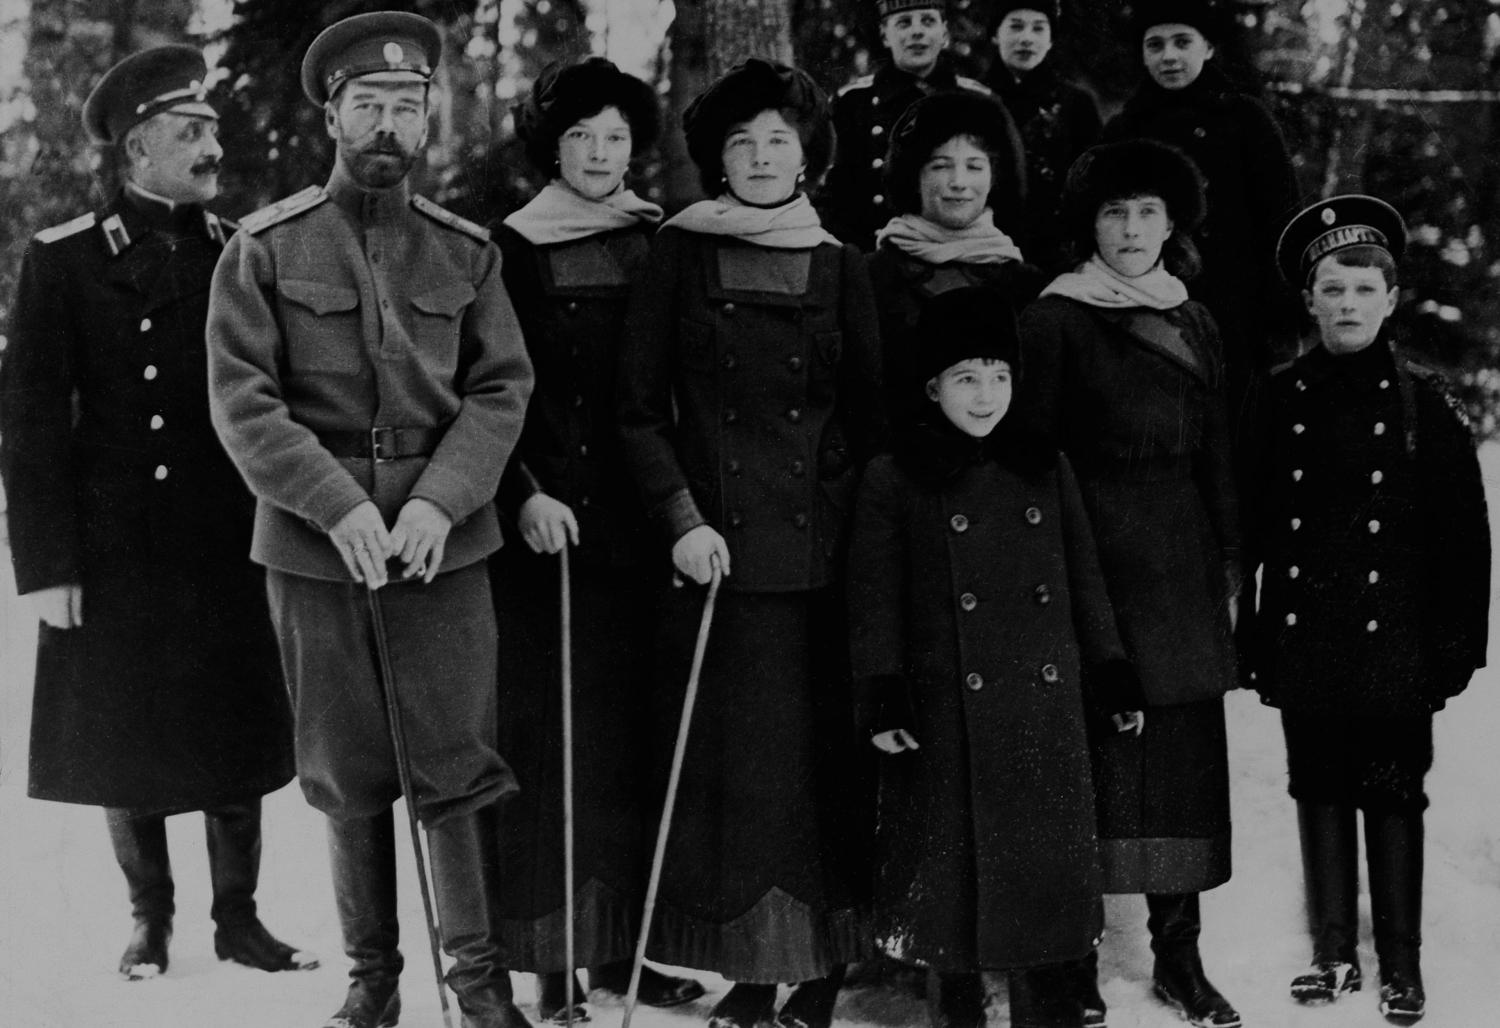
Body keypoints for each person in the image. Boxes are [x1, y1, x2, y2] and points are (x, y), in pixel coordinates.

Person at [205, 13, 535, 1028]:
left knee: (456, 763)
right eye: (367, 105)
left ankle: (478, 991)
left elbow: (500, 387)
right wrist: (337, 503)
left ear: (429, 114)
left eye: (405, 104)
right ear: (332, 117)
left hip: (447, 545)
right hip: (316, 548)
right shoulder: (264, 248)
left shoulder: (466, 253)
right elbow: (244, 399)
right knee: (346, 768)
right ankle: (372, 983)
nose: (387, 122)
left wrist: (441, 498)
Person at [0, 45, 313, 984]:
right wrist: (48, 566)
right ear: (138, 151)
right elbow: (30, 428)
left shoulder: (239, 252)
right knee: (121, 732)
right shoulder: (62, 263)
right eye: (193, 132)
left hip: (225, 540)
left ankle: (239, 920)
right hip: (114, 546)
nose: (213, 145)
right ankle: (150, 920)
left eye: (212, 128)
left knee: (235, 731)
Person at [616, 58, 883, 1028]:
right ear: (716, 159)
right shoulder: (678, 253)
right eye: (741, 142)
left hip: (820, 564)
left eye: (779, 138)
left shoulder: (841, 262)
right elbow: (638, 412)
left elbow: (871, 418)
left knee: (822, 773)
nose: (763, 156)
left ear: (809, 151)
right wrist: (683, 521)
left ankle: (820, 973)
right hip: (714, 564)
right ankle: (753, 971)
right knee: (744, 777)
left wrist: (838, 520)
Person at [847, 286, 1145, 1028]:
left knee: (1044, 885)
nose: (985, 396)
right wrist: (882, 695)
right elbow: (874, 601)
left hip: (1044, 711)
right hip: (947, 714)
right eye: (966, 378)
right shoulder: (896, 475)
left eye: (999, 376)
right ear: (932, 387)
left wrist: (1109, 671)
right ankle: (959, 1013)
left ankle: (1047, 1008)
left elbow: (1084, 579)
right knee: (953, 894)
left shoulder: (1043, 465)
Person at [486, 56, 704, 1023]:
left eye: (616, 137)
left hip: (641, 525)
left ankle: (625, 953)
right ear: (552, 145)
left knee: (632, 742)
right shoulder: (512, 245)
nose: (601, 155)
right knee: (556, 743)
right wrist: (524, 492)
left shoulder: (661, 239)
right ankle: (552, 965)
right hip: (548, 528)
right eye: (581, 136)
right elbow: (491, 389)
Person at [1015, 139, 1243, 1028]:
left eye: (1149, 212)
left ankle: (1180, 959)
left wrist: (1230, 561)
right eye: (1115, 213)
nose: (1132, 230)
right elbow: (1032, 456)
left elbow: (1216, 449)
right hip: (1093, 557)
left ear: (1173, 224)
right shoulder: (1055, 319)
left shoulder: (1196, 321)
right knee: (1088, 764)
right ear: (1090, 225)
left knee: (1181, 765)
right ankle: (1070, 966)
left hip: (1181, 567)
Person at [1249, 196, 1490, 1025]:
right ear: (1309, 301)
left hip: (1397, 644)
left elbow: (1467, 539)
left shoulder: (1425, 401)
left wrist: (1457, 648)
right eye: (1332, 288)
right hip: (1307, 634)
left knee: (1392, 793)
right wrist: (1251, 633)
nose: (1347, 304)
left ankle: (1402, 966)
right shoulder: (1279, 397)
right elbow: (1249, 525)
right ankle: (1329, 954)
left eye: (1363, 289)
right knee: (1315, 785)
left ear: (1389, 301)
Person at [1103, 0, 1300, 480]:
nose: (1169, 56)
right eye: (1155, 45)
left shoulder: (1246, 120)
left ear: (1208, 47)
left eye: (1182, 42)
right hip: (1148, 318)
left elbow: (1282, 223)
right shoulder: (1124, 129)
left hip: (1237, 321)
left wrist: (1279, 324)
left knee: (1235, 453)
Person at [867, 89, 1040, 427]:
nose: (958, 182)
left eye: (974, 166)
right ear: (914, 176)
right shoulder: (871, 275)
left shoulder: (1025, 284)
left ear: (994, 177)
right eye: (940, 166)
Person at [819, 0, 992, 250]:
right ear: (885, 35)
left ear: (944, 33)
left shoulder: (978, 101)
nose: (917, 31)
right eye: (903, 23)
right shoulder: (852, 103)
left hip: (960, 256)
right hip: (874, 259)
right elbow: (832, 197)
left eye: (928, 21)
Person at [982, 2, 1101, 272]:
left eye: (1038, 28)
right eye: (1015, 26)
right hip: (984, 247)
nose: (1026, 38)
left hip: (1056, 253)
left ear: (1050, 40)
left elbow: (1093, 184)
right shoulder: (973, 96)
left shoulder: (1076, 103)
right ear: (995, 34)